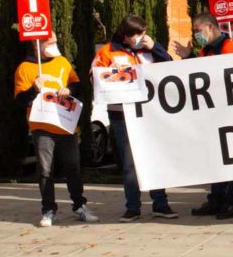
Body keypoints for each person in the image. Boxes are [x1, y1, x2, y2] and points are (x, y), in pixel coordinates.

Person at [93, 15, 178, 223]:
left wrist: (155, 47)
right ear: (127, 35)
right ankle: (133, 207)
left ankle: (160, 204)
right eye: (138, 34)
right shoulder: (107, 51)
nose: (142, 37)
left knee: (155, 157)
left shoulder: (148, 49)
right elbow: (94, 77)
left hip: (150, 112)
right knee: (130, 164)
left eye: (144, 33)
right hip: (122, 114)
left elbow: (169, 67)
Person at [15, 33, 98, 227]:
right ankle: (48, 210)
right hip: (42, 127)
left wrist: (69, 89)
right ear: (38, 45)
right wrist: (34, 88)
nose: (54, 45)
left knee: (73, 168)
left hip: (65, 124)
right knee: (45, 170)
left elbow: (76, 84)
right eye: (50, 42)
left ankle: (79, 205)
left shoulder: (62, 62)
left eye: (54, 41)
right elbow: (20, 100)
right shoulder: (25, 68)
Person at [186, 14, 233, 220]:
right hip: (212, 115)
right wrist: (188, 58)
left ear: (210, 27)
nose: (195, 34)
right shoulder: (206, 50)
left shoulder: (229, 48)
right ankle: (216, 199)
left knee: (231, 160)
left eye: (197, 29)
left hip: (229, 114)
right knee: (216, 160)